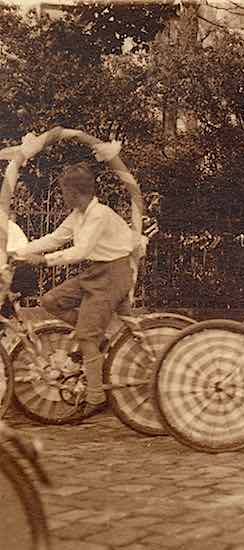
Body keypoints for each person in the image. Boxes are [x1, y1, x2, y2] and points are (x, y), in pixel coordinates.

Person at [10, 162, 139, 417]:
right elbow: (56, 238)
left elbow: (81, 251)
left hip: (114, 274)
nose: (62, 196)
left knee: (86, 338)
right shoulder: (79, 214)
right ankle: (96, 337)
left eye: (63, 191)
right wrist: (18, 253)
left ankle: (96, 396)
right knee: (50, 300)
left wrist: (45, 260)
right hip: (97, 272)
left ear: (74, 191)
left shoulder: (99, 214)